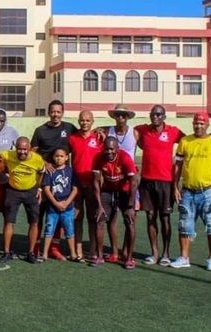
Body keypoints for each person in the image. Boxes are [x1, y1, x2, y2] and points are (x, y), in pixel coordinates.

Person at [170, 112, 211, 272]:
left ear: (208, 124)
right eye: (196, 123)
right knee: (184, 225)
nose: (198, 126)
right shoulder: (185, 141)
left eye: (202, 123)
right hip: (188, 191)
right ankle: (184, 257)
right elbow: (178, 167)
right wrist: (175, 187)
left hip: (208, 191)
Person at [134, 104, 185, 266]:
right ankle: (154, 252)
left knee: (165, 218)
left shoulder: (173, 131)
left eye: (158, 114)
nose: (154, 117)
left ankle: (166, 253)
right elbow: (127, 129)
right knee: (150, 217)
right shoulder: (143, 130)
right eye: (152, 114)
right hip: (147, 181)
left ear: (164, 116)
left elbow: (190, 141)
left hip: (166, 182)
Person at [31, 99, 77, 260]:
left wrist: (101, 130)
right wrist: (44, 163)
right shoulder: (40, 130)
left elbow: (83, 135)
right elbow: (32, 152)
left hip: (63, 179)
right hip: (44, 177)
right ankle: (35, 248)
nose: (55, 115)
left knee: (59, 213)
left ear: (62, 113)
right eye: (53, 111)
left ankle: (54, 248)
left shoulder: (69, 128)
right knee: (40, 214)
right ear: (48, 112)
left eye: (58, 112)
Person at [92, 137, 139, 269]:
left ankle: (129, 258)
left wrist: (130, 206)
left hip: (124, 191)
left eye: (112, 149)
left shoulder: (125, 158)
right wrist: (99, 205)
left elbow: (134, 182)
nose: (109, 152)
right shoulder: (98, 157)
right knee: (100, 219)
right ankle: (100, 256)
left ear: (118, 148)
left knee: (130, 221)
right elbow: (95, 182)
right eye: (106, 149)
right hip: (107, 190)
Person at [0, 137, 45, 264]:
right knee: (9, 221)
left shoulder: (37, 159)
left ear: (29, 148)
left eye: (25, 149)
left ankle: (30, 253)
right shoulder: (7, 154)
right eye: (19, 149)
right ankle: (6, 252)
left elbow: (41, 172)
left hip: (31, 191)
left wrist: (39, 189)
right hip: (13, 191)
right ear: (15, 148)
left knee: (34, 222)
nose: (22, 152)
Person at [67, 110, 103, 261]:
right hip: (76, 184)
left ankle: (93, 250)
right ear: (78, 121)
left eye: (88, 120)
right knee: (77, 217)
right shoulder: (72, 139)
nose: (85, 123)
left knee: (92, 218)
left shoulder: (100, 138)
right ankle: (78, 249)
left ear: (93, 122)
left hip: (93, 184)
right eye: (82, 120)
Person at [41, 148, 79, 261]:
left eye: (61, 156)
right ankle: (44, 253)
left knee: (69, 229)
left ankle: (73, 253)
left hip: (68, 207)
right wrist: (56, 203)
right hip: (53, 207)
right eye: (56, 156)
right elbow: (46, 189)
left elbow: (75, 189)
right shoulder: (50, 171)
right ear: (53, 157)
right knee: (49, 228)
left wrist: (66, 203)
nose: (59, 158)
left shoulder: (71, 171)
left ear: (67, 157)